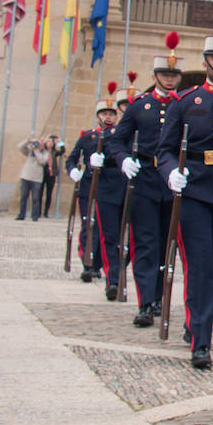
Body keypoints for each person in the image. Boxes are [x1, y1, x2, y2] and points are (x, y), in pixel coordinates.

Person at [157, 12, 213, 368]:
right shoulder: (185, 101)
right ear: (206, 60)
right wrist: (169, 173)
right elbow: (164, 150)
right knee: (199, 264)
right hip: (193, 186)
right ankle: (201, 338)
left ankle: (203, 317)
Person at [107, 35, 187, 326]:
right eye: (165, 74)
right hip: (145, 180)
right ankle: (145, 301)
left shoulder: (184, 104)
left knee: (168, 244)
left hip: (174, 182)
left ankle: (159, 297)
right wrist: (123, 159)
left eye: (174, 74)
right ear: (155, 76)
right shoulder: (139, 106)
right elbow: (117, 141)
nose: (170, 79)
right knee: (146, 243)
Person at [66, 93, 126, 288]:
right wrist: (73, 170)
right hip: (89, 186)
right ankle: (87, 262)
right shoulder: (87, 136)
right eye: (104, 114)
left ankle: (101, 264)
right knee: (89, 225)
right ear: (98, 116)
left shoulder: (120, 134)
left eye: (111, 114)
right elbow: (72, 158)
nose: (107, 117)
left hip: (112, 185)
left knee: (108, 230)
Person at [15, 136, 50, 221]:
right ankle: (21, 214)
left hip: (36, 178)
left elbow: (42, 161)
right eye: (38, 142)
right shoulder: (30, 151)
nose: (39, 144)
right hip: (26, 176)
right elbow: (20, 147)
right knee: (23, 197)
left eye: (41, 143)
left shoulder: (45, 153)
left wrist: (36, 150)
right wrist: (29, 141)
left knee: (35, 198)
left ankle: (35, 216)